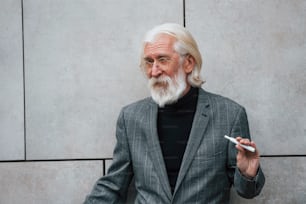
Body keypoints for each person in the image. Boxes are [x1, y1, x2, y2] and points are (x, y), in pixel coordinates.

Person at [84, 23, 265, 204]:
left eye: (162, 60)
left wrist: (248, 173)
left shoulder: (229, 114)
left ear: (188, 63)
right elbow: (114, 185)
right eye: (149, 62)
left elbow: (248, 192)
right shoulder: (131, 117)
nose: (154, 71)